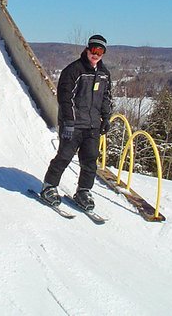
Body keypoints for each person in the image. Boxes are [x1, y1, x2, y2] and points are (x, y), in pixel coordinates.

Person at [40, 34, 112, 211]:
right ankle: (49, 186)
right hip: (73, 124)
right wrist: (69, 122)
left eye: (100, 51)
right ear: (88, 49)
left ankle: (83, 191)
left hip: (93, 125)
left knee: (90, 159)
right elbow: (65, 98)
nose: (96, 54)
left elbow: (106, 97)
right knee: (64, 156)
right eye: (93, 50)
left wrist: (106, 117)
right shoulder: (74, 70)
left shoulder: (104, 74)